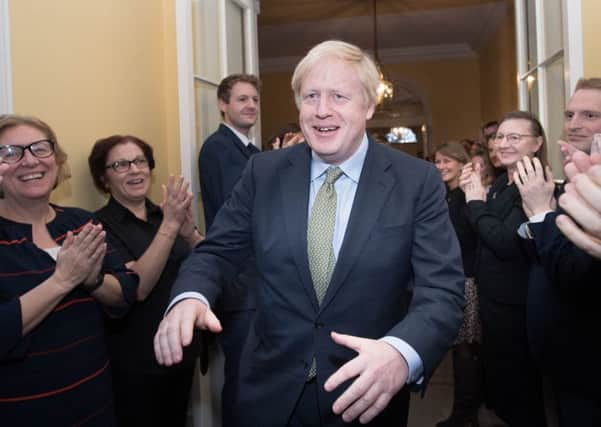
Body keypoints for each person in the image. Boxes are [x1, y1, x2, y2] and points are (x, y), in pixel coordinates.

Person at [154, 40, 465, 427]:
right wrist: (189, 296)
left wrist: (402, 353)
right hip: (266, 391)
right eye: (311, 96)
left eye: (338, 96)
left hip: (364, 392)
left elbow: (443, 293)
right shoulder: (263, 173)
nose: (322, 111)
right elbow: (215, 253)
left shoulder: (415, 181)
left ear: (369, 106)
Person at [0, 115, 138, 425]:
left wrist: (94, 281)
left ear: (56, 159)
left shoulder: (79, 221)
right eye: (10, 152)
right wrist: (63, 280)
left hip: (94, 405)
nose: (29, 160)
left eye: (40, 148)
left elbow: (127, 290)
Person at [88, 135, 203, 427]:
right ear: (103, 178)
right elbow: (136, 288)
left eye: (140, 161)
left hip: (181, 351)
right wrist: (171, 226)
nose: (135, 170)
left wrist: (189, 233)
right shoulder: (98, 226)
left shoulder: (164, 214)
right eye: (121, 165)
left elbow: (207, 263)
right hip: (136, 361)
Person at [460, 111, 548, 426]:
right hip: (493, 297)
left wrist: (475, 203)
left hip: (517, 301)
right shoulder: (501, 183)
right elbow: (479, 234)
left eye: (515, 137)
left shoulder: (535, 183)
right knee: (502, 381)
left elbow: (505, 242)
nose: (503, 144)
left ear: (537, 143)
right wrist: (473, 198)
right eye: (500, 137)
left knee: (521, 385)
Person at [197, 73, 260, 425]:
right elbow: (233, 215)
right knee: (240, 376)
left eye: (254, 99)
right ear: (223, 105)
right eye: (241, 99)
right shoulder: (218, 148)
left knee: (255, 374)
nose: (250, 105)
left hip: (259, 278)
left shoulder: (253, 150)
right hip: (238, 280)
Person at [434, 142, 481, 427]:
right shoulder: (449, 194)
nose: (441, 167)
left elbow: (467, 238)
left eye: (446, 161)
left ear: (461, 163)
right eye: (437, 162)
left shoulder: (465, 195)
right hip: (454, 276)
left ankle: (466, 415)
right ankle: (464, 412)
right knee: (460, 350)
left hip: (466, 279)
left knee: (465, 351)